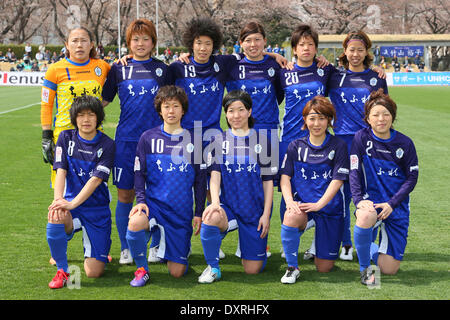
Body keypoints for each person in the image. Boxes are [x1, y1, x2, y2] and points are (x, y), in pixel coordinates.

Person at [102, 18, 172, 266]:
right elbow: (103, 102)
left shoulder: (164, 69)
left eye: (145, 39)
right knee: (125, 194)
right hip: (126, 141)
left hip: (157, 143)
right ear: (128, 42)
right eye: (135, 39)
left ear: (153, 42)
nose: (140, 43)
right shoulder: (118, 69)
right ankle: (126, 247)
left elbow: (172, 103)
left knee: (155, 194)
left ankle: (155, 246)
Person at [125, 85, 206, 287]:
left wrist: (198, 212)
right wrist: (141, 201)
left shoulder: (194, 140)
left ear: (183, 110)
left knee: (177, 272)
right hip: (154, 206)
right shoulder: (148, 138)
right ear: (160, 110)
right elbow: (139, 173)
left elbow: (200, 180)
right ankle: (142, 269)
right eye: (166, 106)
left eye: (175, 106)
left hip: (180, 212)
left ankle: (172, 249)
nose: (171, 111)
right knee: (135, 222)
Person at [198, 90, 276, 283]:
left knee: (253, 270)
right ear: (225, 114)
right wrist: (215, 203)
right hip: (229, 208)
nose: (236, 115)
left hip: (254, 211)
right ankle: (213, 267)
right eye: (231, 110)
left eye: (241, 110)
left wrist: (266, 215)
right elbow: (214, 177)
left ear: (249, 112)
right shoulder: (218, 140)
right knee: (211, 215)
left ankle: (250, 247)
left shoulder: (264, 141)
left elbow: (268, 183)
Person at [327, 30, 388, 261]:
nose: (355, 54)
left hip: (367, 142)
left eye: (360, 50)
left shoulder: (376, 77)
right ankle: (345, 244)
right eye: (351, 49)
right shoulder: (334, 76)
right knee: (341, 194)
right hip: (341, 141)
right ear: (345, 51)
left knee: (367, 191)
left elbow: (384, 112)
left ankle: (368, 241)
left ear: (366, 52)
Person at [277, 24, 335, 259]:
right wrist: (275, 55)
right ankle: (288, 239)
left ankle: (317, 242)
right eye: (302, 44)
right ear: (294, 48)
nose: (307, 48)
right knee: (287, 188)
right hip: (290, 139)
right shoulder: (283, 72)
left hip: (319, 139)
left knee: (320, 185)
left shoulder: (325, 70)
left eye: (311, 44)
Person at [349, 89, 418, 285]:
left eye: (386, 114)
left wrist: (392, 203)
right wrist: (359, 201)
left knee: (389, 270)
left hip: (396, 206)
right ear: (368, 118)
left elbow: (412, 178)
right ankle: (365, 269)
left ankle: (366, 245)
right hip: (372, 202)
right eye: (375, 115)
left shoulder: (405, 143)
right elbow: (354, 171)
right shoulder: (360, 138)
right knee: (364, 215)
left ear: (393, 117)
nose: (381, 119)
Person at [46, 95, 115, 289]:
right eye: (81, 115)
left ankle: (96, 246)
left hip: (97, 210)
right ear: (74, 118)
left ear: (98, 118)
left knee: (94, 273)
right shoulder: (65, 137)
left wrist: (71, 203)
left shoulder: (108, 144)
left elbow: (95, 180)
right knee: (55, 214)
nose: (86, 120)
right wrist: (59, 200)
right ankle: (62, 270)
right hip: (71, 207)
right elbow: (60, 170)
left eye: (91, 115)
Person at [279, 96, 349, 284]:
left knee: (324, 268)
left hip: (329, 207)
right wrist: (290, 202)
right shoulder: (295, 146)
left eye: (321, 118)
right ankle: (292, 268)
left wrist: (319, 204)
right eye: (312, 118)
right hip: (305, 206)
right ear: (305, 120)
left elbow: (338, 180)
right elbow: (285, 177)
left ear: (329, 120)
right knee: (291, 215)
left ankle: (320, 243)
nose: (316, 123)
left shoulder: (339, 146)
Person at [40, 26, 110, 188]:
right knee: (64, 189)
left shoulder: (102, 67)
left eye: (84, 41)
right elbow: (46, 104)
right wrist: (46, 136)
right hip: (64, 136)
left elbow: (117, 82)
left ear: (92, 44)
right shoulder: (55, 70)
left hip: (93, 137)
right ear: (67, 44)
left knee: (93, 187)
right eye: (75, 41)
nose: (79, 45)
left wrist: (127, 58)